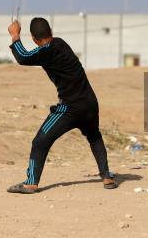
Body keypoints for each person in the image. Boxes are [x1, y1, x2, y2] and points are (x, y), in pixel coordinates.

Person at [6, 17, 117, 194]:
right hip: (90, 103)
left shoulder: (46, 51)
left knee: (40, 141)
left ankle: (31, 183)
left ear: (34, 39)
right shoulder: (61, 43)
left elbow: (23, 57)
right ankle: (107, 177)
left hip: (70, 108)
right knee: (94, 136)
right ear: (51, 32)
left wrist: (15, 36)